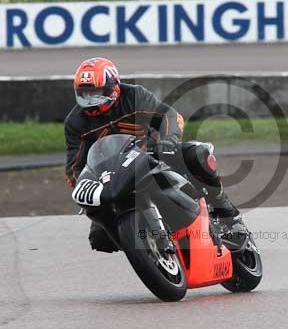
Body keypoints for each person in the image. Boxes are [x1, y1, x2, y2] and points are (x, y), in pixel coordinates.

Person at [64, 57, 245, 253]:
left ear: (113, 88)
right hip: (114, 177)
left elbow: (169, 116)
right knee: (100, 238)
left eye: (96, 93)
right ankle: (147, 250)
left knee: (198, 156)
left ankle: (228, 214)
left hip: (153, 156)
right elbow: (74, 166)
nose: (90, 101)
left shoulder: (133, 95)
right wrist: (83, 188)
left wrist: (168, 140)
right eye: (84, 94)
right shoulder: (75, 122)